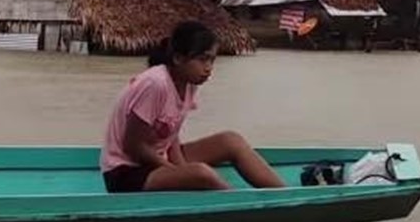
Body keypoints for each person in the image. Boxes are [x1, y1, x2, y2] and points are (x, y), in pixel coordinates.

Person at [100, 20, 287, 193]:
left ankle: (283, 195)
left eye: (212, 60)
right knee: (201, 174)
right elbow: (133, 146)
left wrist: (180, 170)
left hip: (156, 159)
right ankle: (237, 203)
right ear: (178, 59)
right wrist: (177, 172)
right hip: (126, 172)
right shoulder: (155, 83)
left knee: (231, 141)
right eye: (203, 59)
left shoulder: (189, 84)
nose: (208, 68)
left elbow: (170, 134)